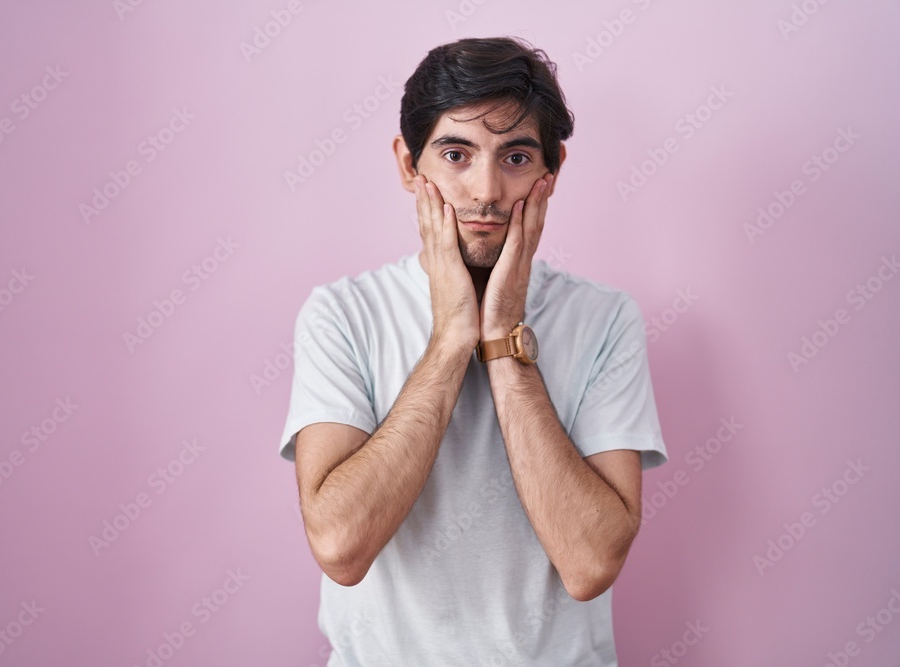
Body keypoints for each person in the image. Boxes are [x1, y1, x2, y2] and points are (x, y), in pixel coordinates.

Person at [278, 36, 668, 666]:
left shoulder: (604, 320)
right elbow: (341, 548)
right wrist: (451, 338)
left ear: (552, 173)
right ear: (409, 165)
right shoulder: (342, 314)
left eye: (515, 156)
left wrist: (503, 335)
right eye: (456, 154)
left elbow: (590, 563)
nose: (486, 190)